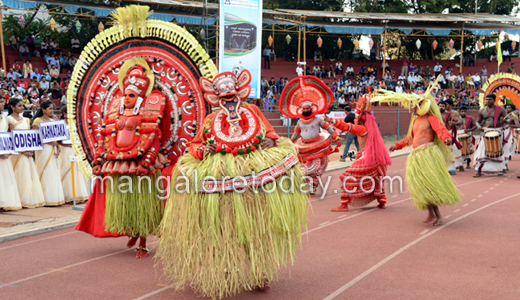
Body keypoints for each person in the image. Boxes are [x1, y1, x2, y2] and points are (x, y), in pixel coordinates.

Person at [157, 69, 308, 297]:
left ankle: (260, 271)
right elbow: (195, 143)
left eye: (231, 92)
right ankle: (227, 264)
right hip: (220, 176)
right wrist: (202, 150)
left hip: (254, 171)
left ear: (240, 92)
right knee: (225, 227)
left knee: (258, 227)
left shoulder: (253, 110)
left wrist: (270, 139)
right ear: (216, 98)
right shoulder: (210, 119)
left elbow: (268, 130)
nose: (228, 97)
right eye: (223, 94)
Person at [76, 58, 168, 259]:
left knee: (142, 202)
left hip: (142, 164)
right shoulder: (115, 112)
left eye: (132, 95)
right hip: (118, 162)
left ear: (141, 97)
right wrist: (99, 161)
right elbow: (105, 137)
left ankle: (143, 241)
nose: (126, 98)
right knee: (124, 202)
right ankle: (133, 232)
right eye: (125, 94)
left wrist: (147, 162)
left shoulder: (149, 113)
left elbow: (154, 138)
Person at [378, 79, 461, 225]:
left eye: (414, 105)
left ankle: (439, 216)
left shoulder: (431, 118)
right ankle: (431, 213)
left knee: (429, 185)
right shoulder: (416, 121)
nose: (412, 108)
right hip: (416, 156)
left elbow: (441, 130)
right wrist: (396, 146)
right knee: (421, 186)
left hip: (428, 155)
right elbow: (409, 138)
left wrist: (446, 138)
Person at [327, 94, 391, 212]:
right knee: (377, 178)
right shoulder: (371, 127)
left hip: (368, 157)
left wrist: (332, 120)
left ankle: (344, 204)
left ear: (360, 118)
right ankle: (382, 201)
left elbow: (347, 127)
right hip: (375, 157)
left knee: (346, 177)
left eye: (356, 116)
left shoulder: (362, 128)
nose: (355, 118)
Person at [283, 74, 339, 195]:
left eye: (308, 108)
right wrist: (289, 141)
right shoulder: (299, 122)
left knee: (317, 168)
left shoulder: (318, 119)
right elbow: (296, 135)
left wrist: (336, 136)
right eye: (304, 109)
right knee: (305, 168)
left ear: (312, 108)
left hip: (318, 146)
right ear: (301, 110)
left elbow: (329, 128)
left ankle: (313, 185)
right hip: (304, 147)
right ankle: (307, 185)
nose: (306, 110)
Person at [7, 98, 45, 208]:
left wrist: (31, 149)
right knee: (19, 174)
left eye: (22, 106)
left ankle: (28, 198)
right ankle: (19, 199)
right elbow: (11, 137)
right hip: (17, 152)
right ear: (12, 107)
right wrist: (22, 151)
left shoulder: (26, 120)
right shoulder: (9, 119)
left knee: (28, 175)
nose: (22, 108)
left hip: (27, 151)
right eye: (19, 106)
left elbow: (29, 136)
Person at [32, 101, 66, 206]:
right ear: (43, 109)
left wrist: (58, 146)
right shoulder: (37, 121)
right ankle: (45, 198)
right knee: (45, 171)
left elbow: (57, 137)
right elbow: (36, 137)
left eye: (52, 109)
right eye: (50, 109)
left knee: (54, 171)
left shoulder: (52, 121)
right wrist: (52, 143)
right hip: (43, 149)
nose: (52, 110)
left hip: (54, 148)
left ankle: (55, 197)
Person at [58, 106, 89, 203]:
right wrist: (68, 145)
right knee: (66, 169)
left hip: (76, 149)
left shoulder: (75, 124)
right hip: (65, 149)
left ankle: (79, 194)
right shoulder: (60, 124)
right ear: (64, 114)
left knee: (77, 170)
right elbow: (58, 140)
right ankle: (67, 195)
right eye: (69, 113)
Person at [473, 94, 507, 177]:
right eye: (486, 99)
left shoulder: (501, 109)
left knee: (497, 151)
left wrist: (504, 120)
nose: (488, 101)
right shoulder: (482, 110)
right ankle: (479, 171)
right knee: (482, 152)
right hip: (485, 132)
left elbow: (508, 119)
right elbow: (478, 121)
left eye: (490, 99)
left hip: (497, 131)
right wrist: (479, 126)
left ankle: (499, 170)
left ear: (494, 100)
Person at [0, 97, 22, 211]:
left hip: (4, 150)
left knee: (5, 177)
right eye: (0, 102)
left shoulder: (4, 117)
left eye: (3, 102)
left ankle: (4, 201)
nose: (2, 104)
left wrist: (9, 148)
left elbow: (8, 134)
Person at [439, 100, 463, 174]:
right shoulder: (435, 115)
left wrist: (454, 123)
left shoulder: (450, 114)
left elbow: (460, 121)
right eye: (440, 106)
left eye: (443, 106)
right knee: (440, 152)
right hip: (439, 135)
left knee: (450, 151)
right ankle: (441, 168)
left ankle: (451, 169)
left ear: (445, 107)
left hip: (448, 134)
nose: (441, 107)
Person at [502, 104, 519, 171]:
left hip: (508, 133)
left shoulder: (513, 117)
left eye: (509, 108)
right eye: (506, 108)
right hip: (501, 132)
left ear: (512, 110)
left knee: (506, 149)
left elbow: (518, 125)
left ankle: (505, 165)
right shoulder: (501, 116)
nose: (507, 109)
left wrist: (510, 126)